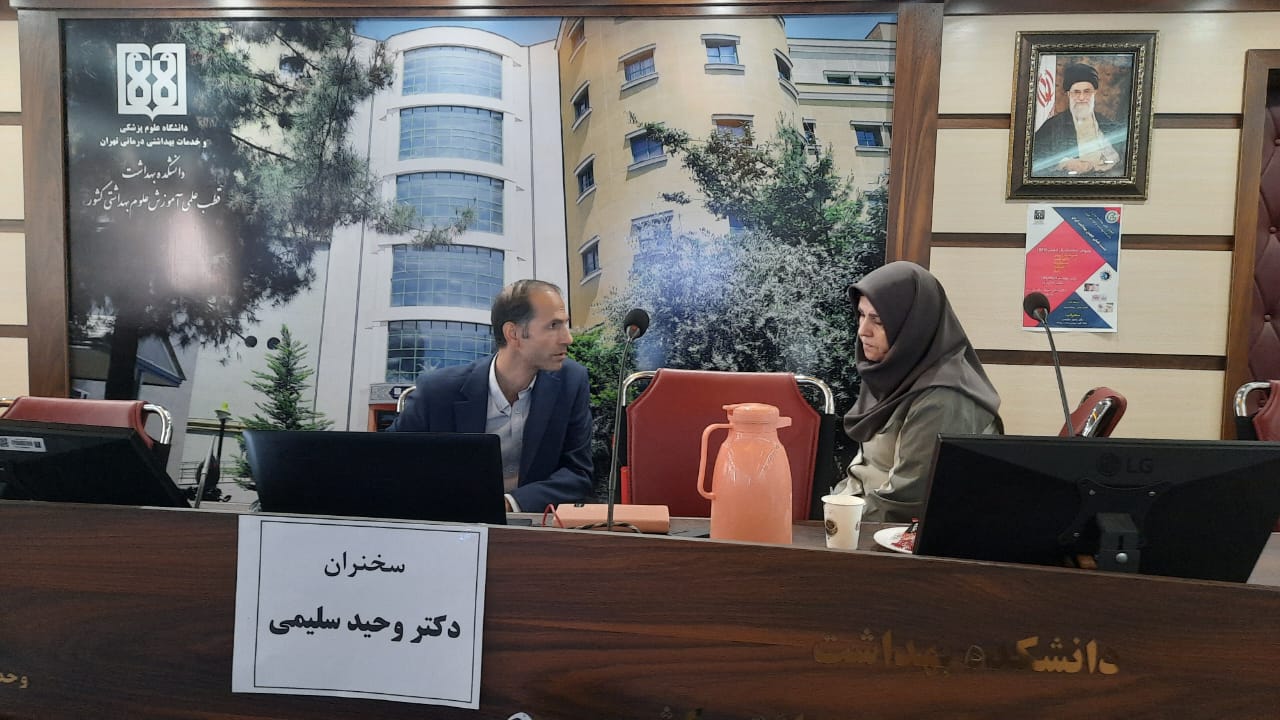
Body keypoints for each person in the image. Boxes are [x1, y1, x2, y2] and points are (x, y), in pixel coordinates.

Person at [389, 279, 593, 513]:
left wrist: (509, 504)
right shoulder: (438, 391)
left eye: (565, 324)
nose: (568, 338)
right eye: (553, 325)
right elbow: (388, 461)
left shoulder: (571, 381)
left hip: (533, 524)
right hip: (452, 521)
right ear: (513, 333)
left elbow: (578, 473)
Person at [832, 261, 1003, 523]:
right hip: (866, 516)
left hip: (903, 533)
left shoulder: (943, 396)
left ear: (914, 325)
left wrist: (836, 523)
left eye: (878, 320)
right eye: (861, 315)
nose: (863, 331)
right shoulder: (896, 370)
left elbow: (906, 502)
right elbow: (866, 470)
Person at [1031, 62, 1126, 177]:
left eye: (1087, 92)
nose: (1081, 98)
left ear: (1094, 93)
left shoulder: (1108, 125)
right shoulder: (1052, 126)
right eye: (1076, 92)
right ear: (1068, 94)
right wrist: (1063, 163)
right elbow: (1033, 159)